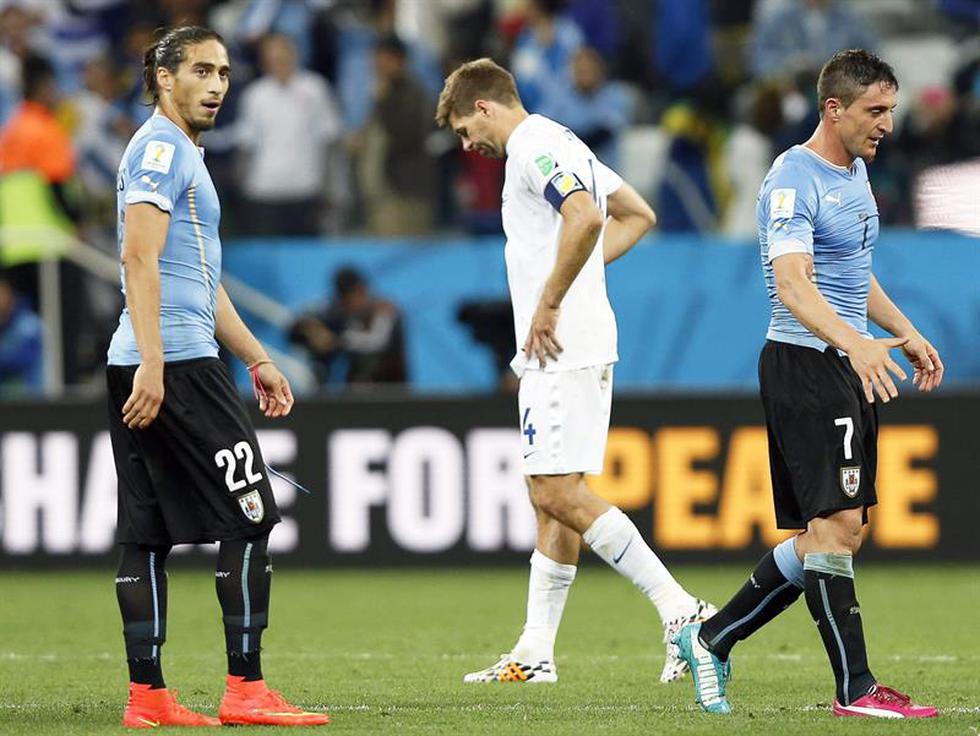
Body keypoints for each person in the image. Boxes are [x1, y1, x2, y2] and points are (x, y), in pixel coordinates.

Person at [674, 50, 944, 718]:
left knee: (843, 530)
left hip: (843, 360)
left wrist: (902, 330)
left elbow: (852, 272)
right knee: (834, 526)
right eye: (875, 111)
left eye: (891, 111)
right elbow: (793, 285)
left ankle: (712, 637)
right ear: (834, 108)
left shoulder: (851, 172)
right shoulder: (792, 180)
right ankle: (855, 690)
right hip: (806, 363)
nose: (887, 125)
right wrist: (854, 344)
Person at [435, 58, 714, 685]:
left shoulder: (532, 146)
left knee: (554, 492)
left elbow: (586, 217)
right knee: (553, 503)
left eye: (462, 129)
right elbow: (636, 214)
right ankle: (535, 652)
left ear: (484, 106)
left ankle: (683, 612)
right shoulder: (565, 138)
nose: (466, 145)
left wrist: (553, 299)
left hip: (561, 345)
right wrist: (575, 279)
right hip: (577, 341)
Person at [107, 26, 329, 728]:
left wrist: (259, 356)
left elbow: (196, 276)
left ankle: (148, 698)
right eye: (202, 70)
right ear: (164, 77)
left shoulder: (173, 151)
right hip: (172, 364)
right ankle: (246, 690)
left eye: (226, 73)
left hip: (146, 359)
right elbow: (138, 259)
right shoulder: (164, 148)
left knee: (145, 532)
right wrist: (155, 362)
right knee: (252, 512)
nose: (218, 84)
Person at [236, 32, 341, 236]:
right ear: (265, 62)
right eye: (273, 59)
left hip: (306, 188)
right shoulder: (255, 96)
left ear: (294, 55)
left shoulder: (315, 89)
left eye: (283, 57)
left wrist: (331, 188)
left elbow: (329, 139)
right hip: (264, 190)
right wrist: (243, 189)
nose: (279, 63)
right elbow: (246, 146)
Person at [288, 266, 407, 386]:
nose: (346, 304)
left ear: (361, 290)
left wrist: (336, 341)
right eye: (342, 299)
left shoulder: (384, 310)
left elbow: (377, 342)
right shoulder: (344, 312)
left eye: (348, 299)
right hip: (357, 390)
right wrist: (312, 328)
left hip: (392, 389)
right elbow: (309, 320)